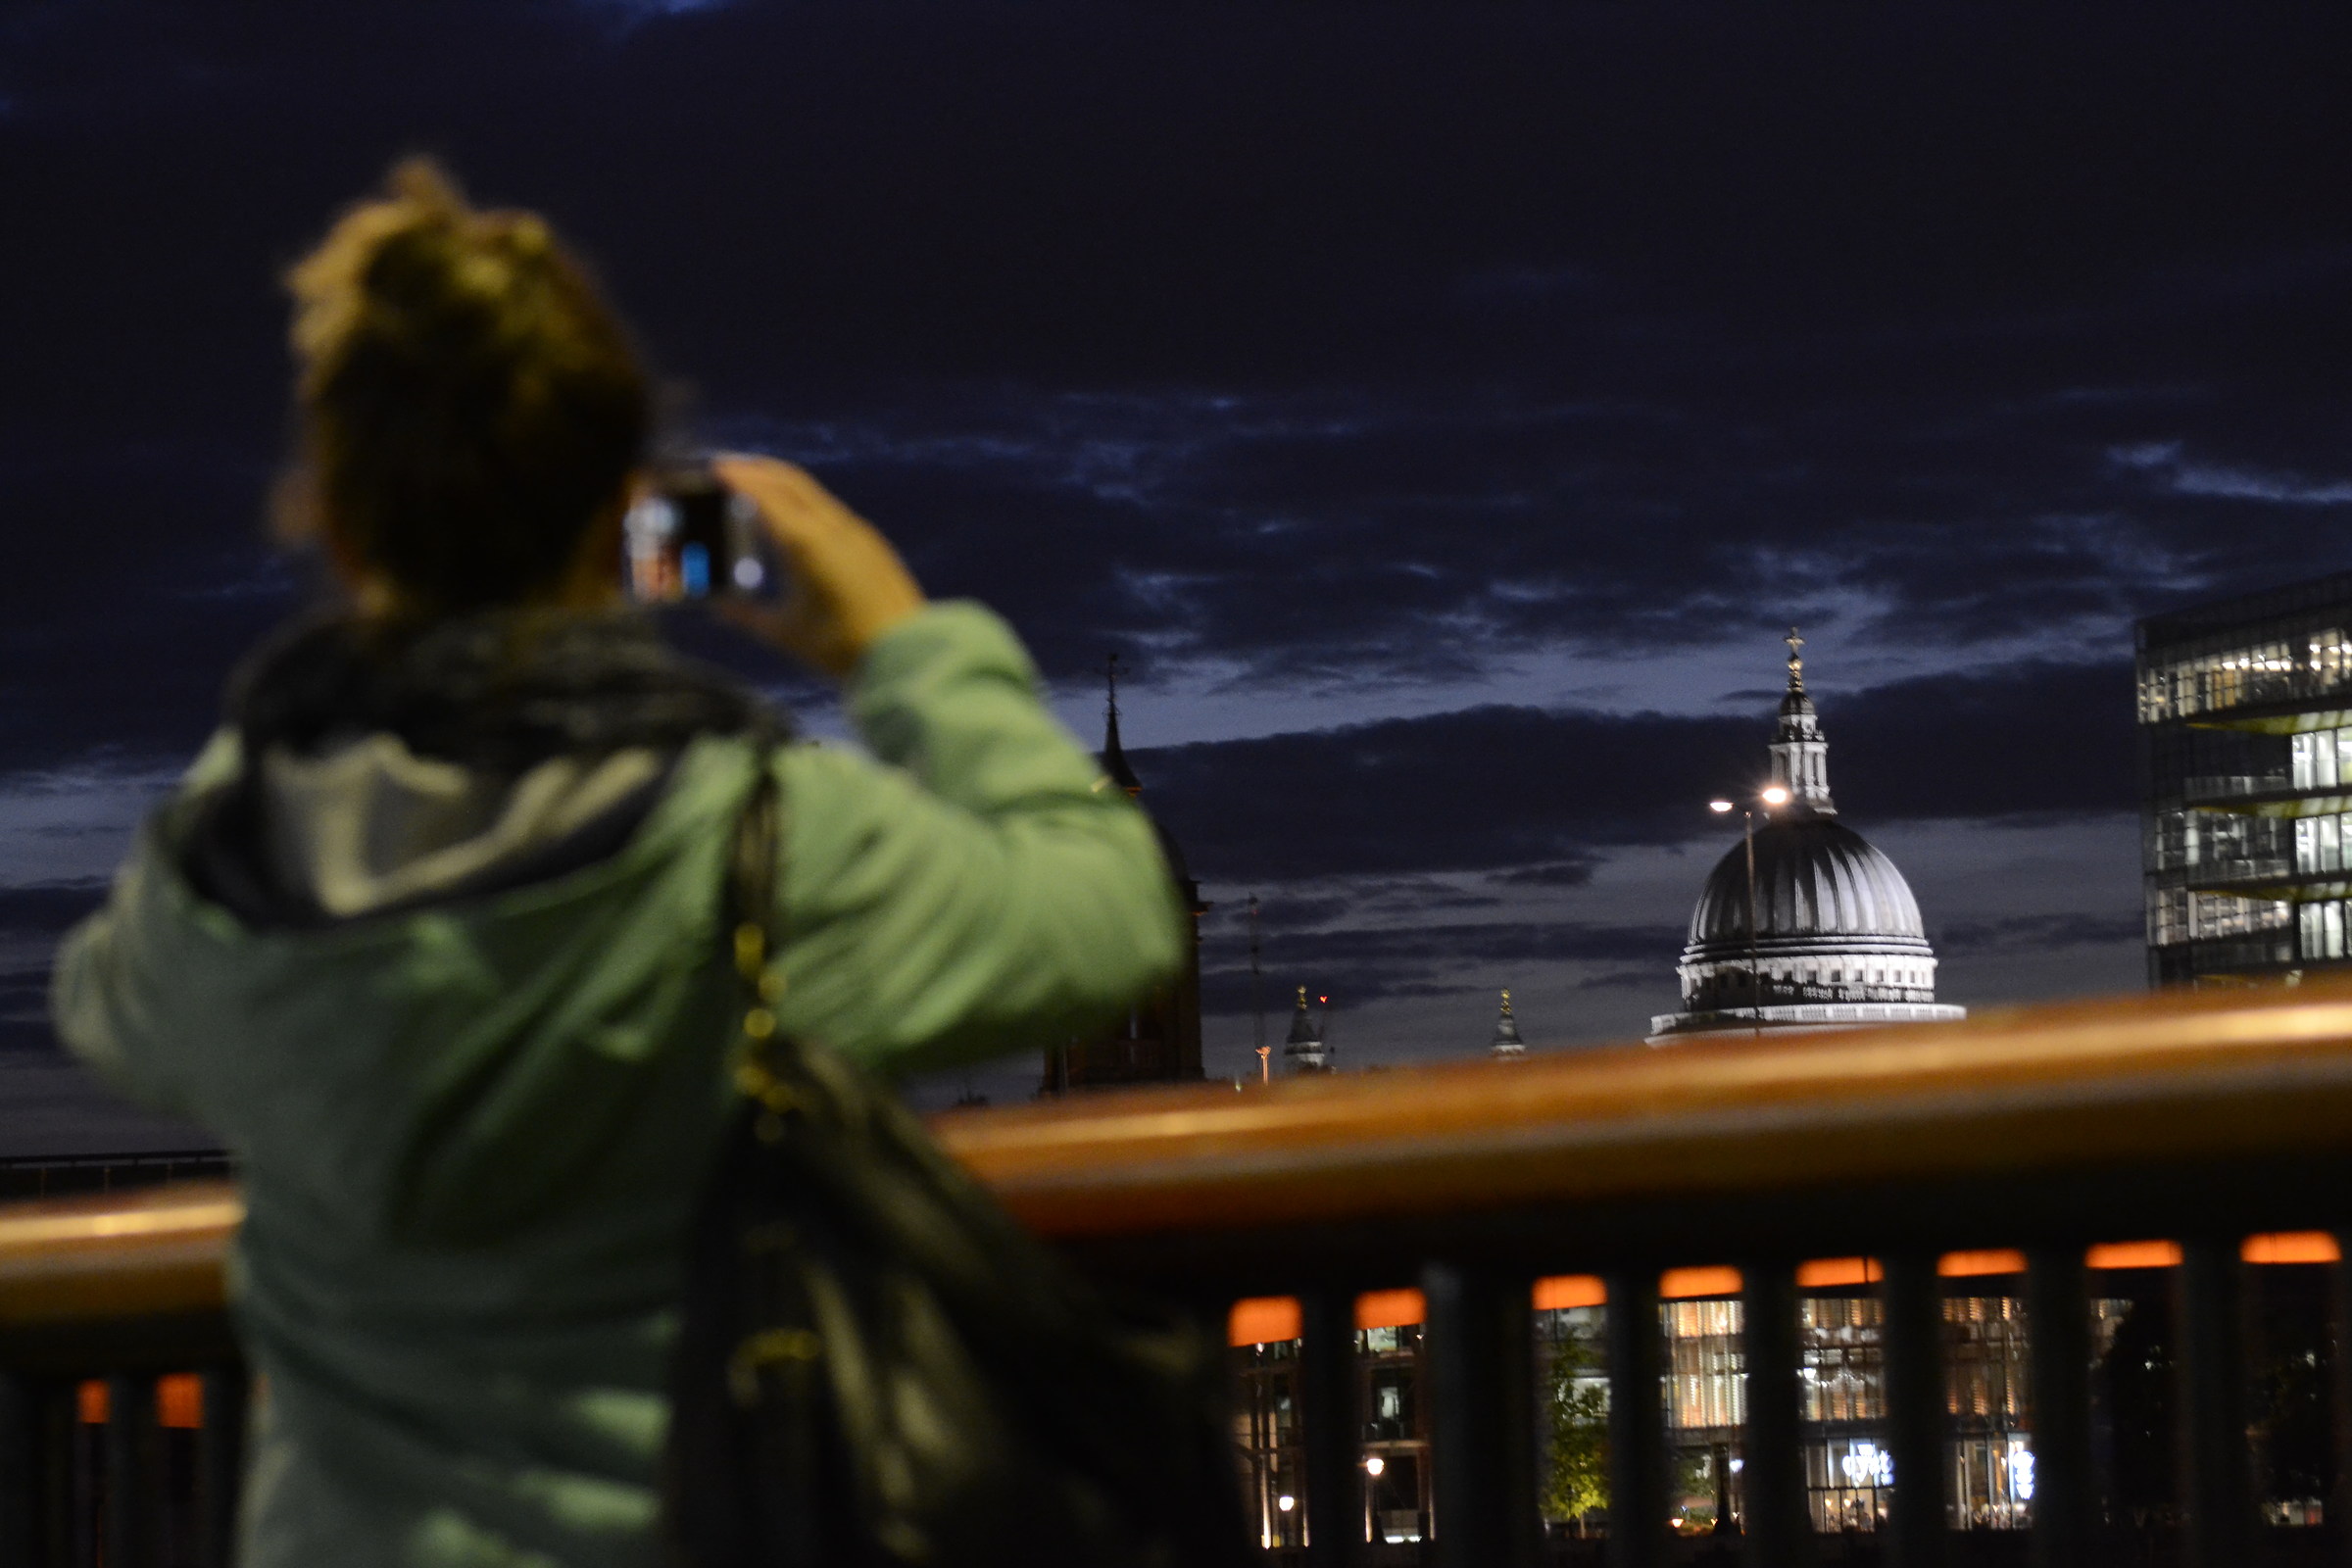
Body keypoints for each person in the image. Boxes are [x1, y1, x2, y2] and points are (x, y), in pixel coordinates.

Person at [50, 161, 1188, 1568]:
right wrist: (897, 640)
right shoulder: (750, 841)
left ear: (338, 527)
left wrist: (335, 687)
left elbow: (100, 1000)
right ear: (627, 526)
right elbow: (1112, 909)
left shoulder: (224, 877)